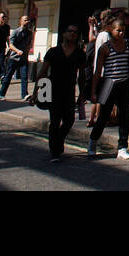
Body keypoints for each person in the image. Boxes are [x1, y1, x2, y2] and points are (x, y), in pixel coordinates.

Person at [32, 24, 85, 162]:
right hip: (52, 90)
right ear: (64, 34)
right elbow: (43, 72)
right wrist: (34, 93)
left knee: (69, 120)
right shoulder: (53, 51)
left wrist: (82, 94)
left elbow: (82, 75)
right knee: (55, 121)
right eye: (70, 31)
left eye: (76, 32)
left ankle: (59, 140)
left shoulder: (79, 54)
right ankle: (54, 151)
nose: (73, 34)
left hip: (69, 91)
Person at [88, 16, 129, 159]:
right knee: (103, 116)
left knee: (125, 116)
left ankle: (122, 147)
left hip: (124, 84)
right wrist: (94, 91)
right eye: (118, 30)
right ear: (111, 30)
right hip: (108, 84)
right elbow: (98, 71)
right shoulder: (105, 48)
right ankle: (93, 141)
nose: (121, 33)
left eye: (123, 31)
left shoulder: (127, 45)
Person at [0, 15, 34, 100]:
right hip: (14, 58)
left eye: (28, 20)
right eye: (25, 20)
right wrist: (17, 50)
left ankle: (24, 95)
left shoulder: (29, 33)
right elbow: (11, 45)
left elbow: (29, 43)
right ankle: (2, 94)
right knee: (8, 76)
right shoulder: (15, 32)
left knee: (24, 77)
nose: (27, 22)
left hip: (24, 58)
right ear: (21, 21)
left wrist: (27, 50)